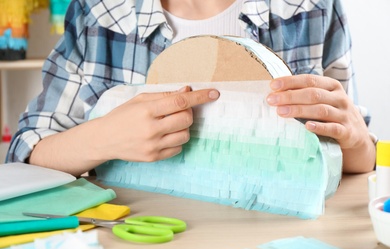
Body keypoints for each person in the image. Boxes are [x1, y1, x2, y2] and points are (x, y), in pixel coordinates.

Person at [7, 0, 376, 176]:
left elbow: (362, 160)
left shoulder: (311, 8)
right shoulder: (99, 13)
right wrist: (102, 137)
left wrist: (358, 142)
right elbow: (25, 153)